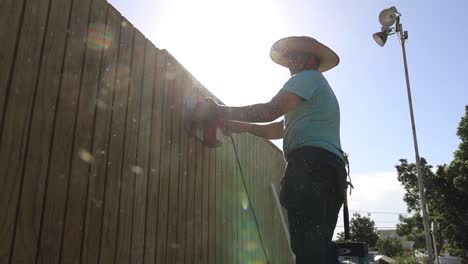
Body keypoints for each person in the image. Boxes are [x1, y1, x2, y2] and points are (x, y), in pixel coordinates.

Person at [194, 36, 347, 264]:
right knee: (318, 245)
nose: (290, 63)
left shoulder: (308, 78)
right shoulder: (312, 95)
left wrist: (219, 111)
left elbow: (269, 110)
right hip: (330, 169)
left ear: (310, 59)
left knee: (307, 246)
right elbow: (277, 129)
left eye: (295, 56)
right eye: (288, 59)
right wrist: (239, 126)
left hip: (312, 166)